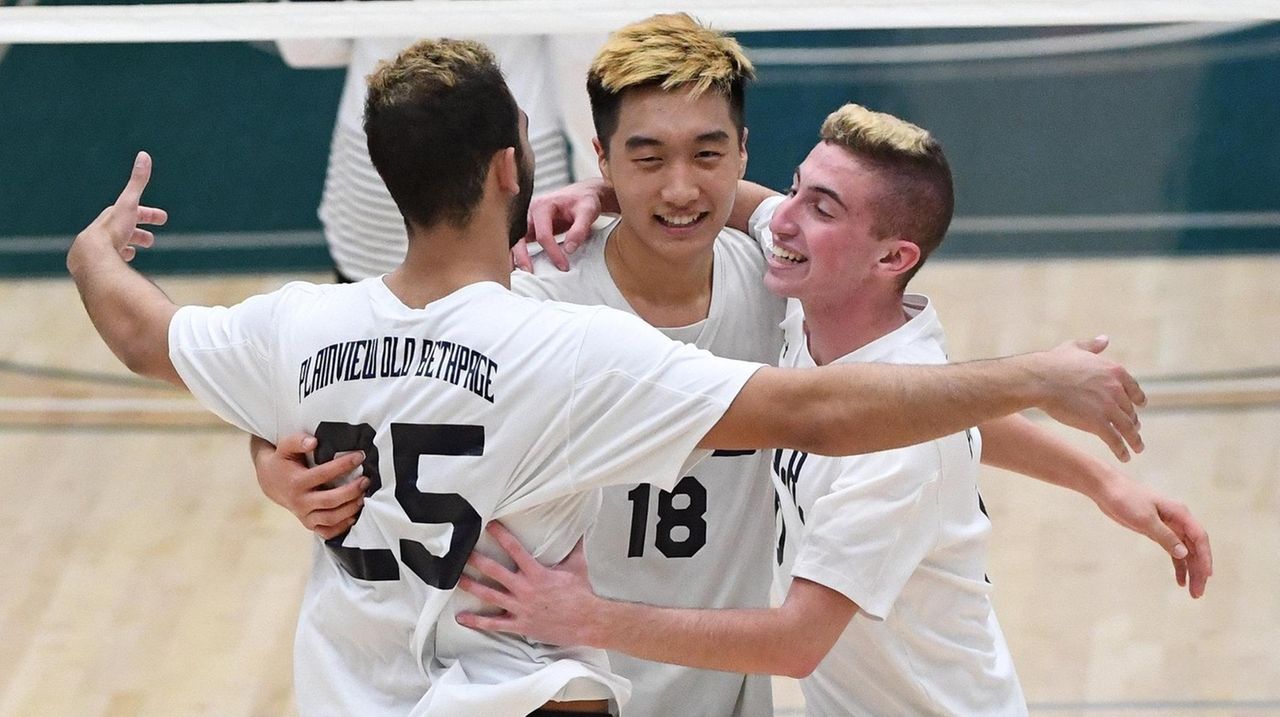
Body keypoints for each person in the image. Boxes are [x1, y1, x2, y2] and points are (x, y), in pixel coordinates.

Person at [67, 34, 1150, 717]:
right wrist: (278, 461)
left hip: (699, 689)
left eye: (709, 156)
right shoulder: (545, 313)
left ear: (739, 156)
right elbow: (841, 413)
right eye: (644, 158)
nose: (682, 188)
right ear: (571, 159)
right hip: (559, 676)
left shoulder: (780, 281)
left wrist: (1091, 475)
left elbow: (884, 399)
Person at [454, 104, 1211, 715]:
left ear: (892, 258)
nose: (782, 221)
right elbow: (950, 408)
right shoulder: (820, 301)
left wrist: (584, 616)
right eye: (796, 187)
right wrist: (612, 191)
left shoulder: (894, 451)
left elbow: (794, 643)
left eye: (820, 207)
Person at [277, 25, 601, 281]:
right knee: (501, 349)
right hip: (504, 173)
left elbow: (305, 45)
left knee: (373, 353)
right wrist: (603, 197)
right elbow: (579, 61)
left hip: (380, 172)